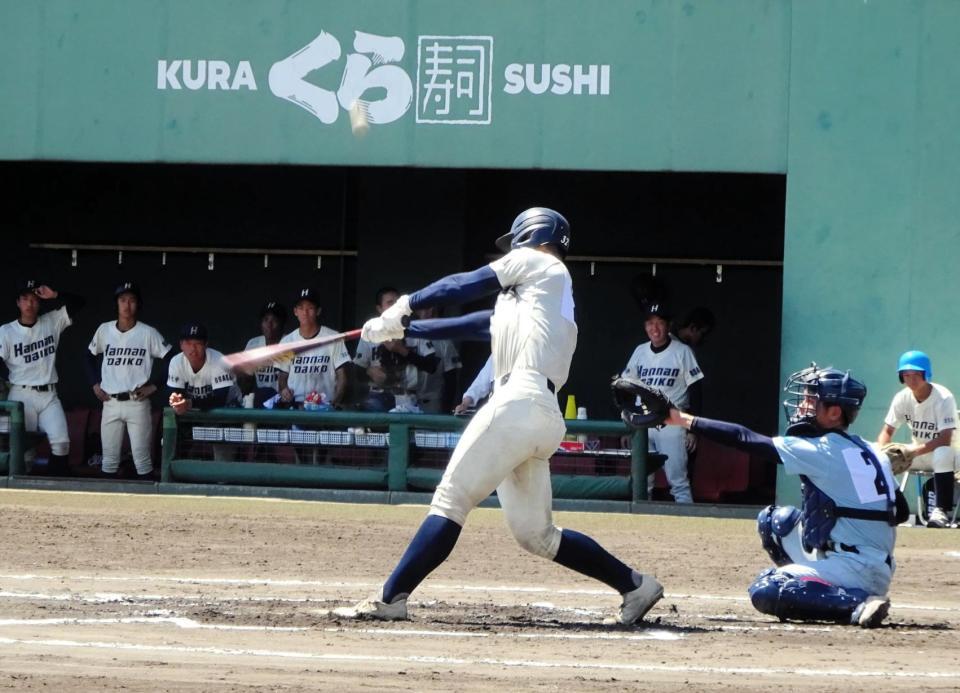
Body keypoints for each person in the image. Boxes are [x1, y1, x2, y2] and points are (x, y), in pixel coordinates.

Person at [337, 207, 663, 625]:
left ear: (534, 235)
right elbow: (475, 325)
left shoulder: (542, 262)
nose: (510, 253)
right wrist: (401, 329)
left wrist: (406, 303)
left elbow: (464, 285)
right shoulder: (540, 299)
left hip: (518, 400)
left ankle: (390, 597)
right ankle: (636, 586)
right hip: (537, 412)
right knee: (537, 535)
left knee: (451, 499)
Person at [663, 364, 904, 628]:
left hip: (857, 569)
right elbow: (901, 511)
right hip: (869, 560)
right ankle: (820, 583)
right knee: (775, 522)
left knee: (768, 588)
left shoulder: (822, 449)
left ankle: (856, 603)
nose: (802, 406)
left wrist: (682, 419)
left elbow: (746, 438)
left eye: (812, 401)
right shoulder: (871, 449)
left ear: (834, 413)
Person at [86, 282, 171, 478]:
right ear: (116, 304)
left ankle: (148, 507)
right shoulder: (104, 330)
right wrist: (94, 383)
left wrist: (154, 385)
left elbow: (173, 359)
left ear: (138, 304)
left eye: (131, 300)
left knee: (142, 460)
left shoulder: (148, 332)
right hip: (111, 401)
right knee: (109, 461)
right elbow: (88, 356)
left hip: (137, 402)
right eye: (122, 300)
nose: (127, 305)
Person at [0, 280, 84, 476]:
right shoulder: (6, 331)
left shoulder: (51, 321)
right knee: (23, 452)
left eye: (34, 299)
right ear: (18, 303)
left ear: (39, 302)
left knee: (62, 443)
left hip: (49, 395)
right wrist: (7, 379)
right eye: (25, 299)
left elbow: (80, 303)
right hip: (21, 395)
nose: (30, 304)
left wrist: (55, 294)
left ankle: (53, 489)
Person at [621, 303, 704, 503]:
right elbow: (625, 388)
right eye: (650, 323)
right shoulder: (640, 351)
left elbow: (697, 390)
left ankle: (689, 528)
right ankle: (641, 529)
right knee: (641, 483)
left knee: (679, 482)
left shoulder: (682, 352)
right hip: (643, 423)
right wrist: (627, 423)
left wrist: (693, 428)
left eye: (659, 323)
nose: (655, 328)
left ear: (669, 326)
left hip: (672, 422)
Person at [877, 350, 957, 528]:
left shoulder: (943, 397)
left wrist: (912, 451)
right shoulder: (902, 397)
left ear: (926, 374)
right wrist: (880, 453)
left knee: (943, 452)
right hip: (919, 454)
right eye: (906, 375)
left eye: (916, 375)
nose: (911, 380)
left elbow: (945, 439)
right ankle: (889, 507)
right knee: (881, 457)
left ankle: (941, 512)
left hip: (951, 458)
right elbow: (887, 430)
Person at [354, 287, 438, 413]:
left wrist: (402, 350)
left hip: (408, 398)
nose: (394, 307)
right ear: (379, 309)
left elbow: (432, 366)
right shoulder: (370, 332)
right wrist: (368, 371)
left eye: (396, 303)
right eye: (389, 303)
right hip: (377, 397)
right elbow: (356, 371)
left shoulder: (414, 329)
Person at [167, 323, 238, 460]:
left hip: (226, 409)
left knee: (223, 453)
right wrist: (178, 402)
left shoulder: (219, 360)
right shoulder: (176, 362)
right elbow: (176, 393)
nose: (193, 349)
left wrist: (188, 404)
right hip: (196, 409)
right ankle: (181, 475)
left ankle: (222, 478)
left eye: (198, 343)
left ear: (206, 345)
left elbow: (220, 399)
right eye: (188, 343)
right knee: (176, 429)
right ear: (181, 345)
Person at [276, 288, 351, 408]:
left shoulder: (333, 337)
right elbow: (282, 378)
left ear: (318, 311)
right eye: (301, 308)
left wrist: (335, 403)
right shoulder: (287, 342)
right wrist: (284, 390)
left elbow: (342, 376)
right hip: (296, 404)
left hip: (324, 405)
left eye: (310, 308)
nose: (305, 312)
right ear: (295, 311)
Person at [413, 306, 462, 414]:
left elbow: (451, 380)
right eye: (423, 307)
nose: (429, 311)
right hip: (404, 399)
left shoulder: (444, 341)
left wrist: (446, 408)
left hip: (431, 402)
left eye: (431, 308)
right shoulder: (406, 336)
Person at [240, 301, 286, 406]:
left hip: (283, 400)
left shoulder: (290, 343)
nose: (269, 325)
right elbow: (246, 383)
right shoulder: (253, 344)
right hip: (260, 398)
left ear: (282, 323)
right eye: (265, 320)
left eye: (274, 320)